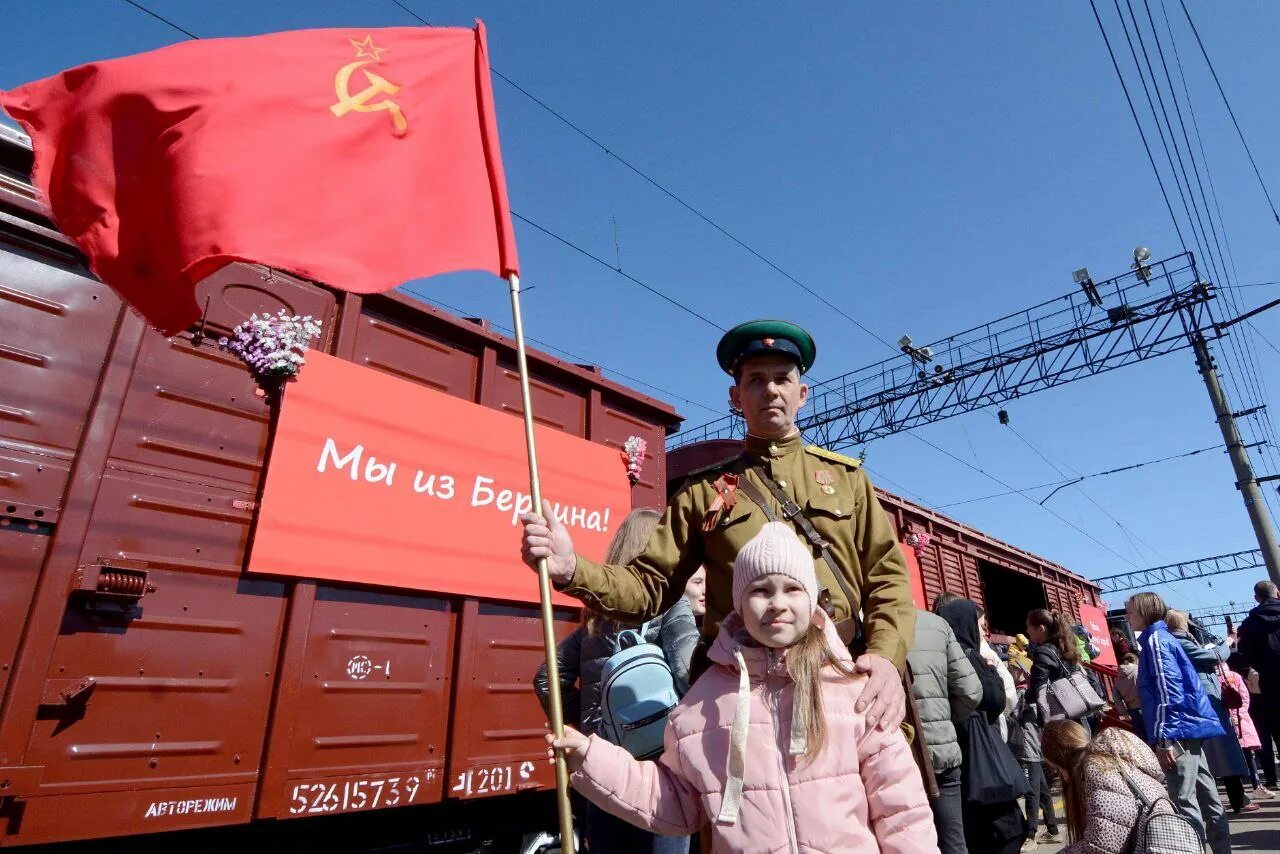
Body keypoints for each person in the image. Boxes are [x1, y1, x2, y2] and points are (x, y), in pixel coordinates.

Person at [521, 319, 918, 734]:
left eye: (783, 379)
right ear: (736, 396)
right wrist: (571, 569)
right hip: (741, 698)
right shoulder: (701, 492)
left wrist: (887, 657)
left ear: (802, 394)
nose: (770, 390)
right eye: (756, 380)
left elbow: (886, 579)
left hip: (839, 679)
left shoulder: (847, 481)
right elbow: (648, 585)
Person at [546, 522, 938, 853]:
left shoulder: (852, 689)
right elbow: (675, 802)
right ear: (738, 602)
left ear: (812, 599)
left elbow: (902, 811)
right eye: (760, 590)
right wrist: (591, 758)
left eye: (792, 589)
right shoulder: (703, 703)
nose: (777, 603)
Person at [533, 510, 699, 854]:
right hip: (659, 773)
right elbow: (687, 670)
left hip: (602, 765)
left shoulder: (595, 618)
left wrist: (595, 723)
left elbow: (546, 678)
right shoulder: (671, 606)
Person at [1125, 592, 1230, 854]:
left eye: (1130, 611)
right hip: (1189, 727)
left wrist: (1163, 739)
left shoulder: (1156, 643)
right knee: (1208, 798)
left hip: (1178, 731)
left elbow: (1167, 691)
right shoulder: (1163, 639)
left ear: (1145, 611)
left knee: (1184, 802)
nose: (1127, 616)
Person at [938, 598, 1028, 854]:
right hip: (983, 758)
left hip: (958, 762)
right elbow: (996, 700)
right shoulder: (970, 658)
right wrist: (993, 671)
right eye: (979, 624)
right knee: (1006, 829)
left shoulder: (940, 660)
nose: (983, 631)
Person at [1163, 609, 1256, 814]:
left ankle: (1231, 800)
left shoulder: (1176, 641)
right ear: (1182, 623)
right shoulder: (1181, 641)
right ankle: (1228, 802)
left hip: (1204, 702)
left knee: (1213, 755)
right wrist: (1228, 642)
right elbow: (1214, 657)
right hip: (1206, 703)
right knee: (1220, 752)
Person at [907, 607, 982, 854]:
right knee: (953, 842)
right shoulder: (937, 624)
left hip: (895, 757)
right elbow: (971, 691)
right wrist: (943, 720)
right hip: (942, 751)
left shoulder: (863, 625)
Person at [1041, 720, 1174, 854]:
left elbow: (1101, 847)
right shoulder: (1109, 760)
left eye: (1057, 770)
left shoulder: (1098, 770)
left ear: (1063, 758)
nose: (1063, 778)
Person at [1009, 673, 1060, 851]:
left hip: (1028, 748)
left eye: (1014, 669)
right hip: (1036, 745)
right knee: (1043, 791)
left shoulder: (1022, 693)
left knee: (1032, 793)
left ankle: (1030, 834)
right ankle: (1052, 828)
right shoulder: (1037, 692)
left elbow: (1014, 714)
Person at [1238, 579, 1280, 793]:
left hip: (1269, 687)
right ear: (1278, 594)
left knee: (1271, 732)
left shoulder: (1249, 624)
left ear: (1257, 598)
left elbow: (1245, 653)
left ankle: (1273, 779)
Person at [1225, 652, 1273, 801]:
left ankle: (1242, 794)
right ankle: (1256, 786)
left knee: (1231, 758)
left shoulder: (1224, 676)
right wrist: (1240, 713)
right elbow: (1245, 698)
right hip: (1240, 720)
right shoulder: (1235, 676)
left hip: (1230, 722)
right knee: (1247, 754)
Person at [1114, 652, 1144, 738]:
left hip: (1132, 710)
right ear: (1136, 661)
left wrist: (1123, 712)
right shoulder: (1139, 672)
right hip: (1145, 706)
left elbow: (1116, 697)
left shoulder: (1118, 678)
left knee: (1141, 736)